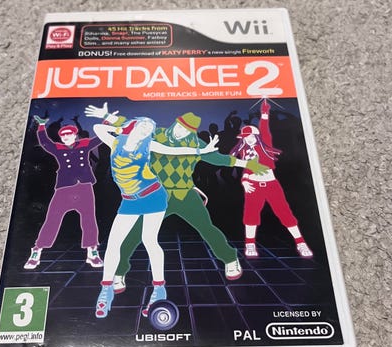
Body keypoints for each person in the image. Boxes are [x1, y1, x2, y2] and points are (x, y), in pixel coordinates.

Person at [85, 103, 269, 287]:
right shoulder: (156, 135)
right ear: (175, 123)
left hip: (185, 194)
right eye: (180, 127)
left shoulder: (196, 143)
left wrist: (248, 164)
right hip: (156, 194)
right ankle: (119, 272)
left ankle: (230, 258)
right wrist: (108, 116)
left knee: (207, 228)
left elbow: (218, 158)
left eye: (187, 131)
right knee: (135, 234)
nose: (182, 132)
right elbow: (134, 126)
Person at [92, 117, 219, 318]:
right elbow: (97, 128)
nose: (146, 130)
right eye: (144, 125)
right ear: (134, 125)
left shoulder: (148, 145)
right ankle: (106, 289)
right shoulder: (116, 141)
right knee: (114, 243)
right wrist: (121, 128)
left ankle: (159, 288)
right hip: (129, 201)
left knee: (149, 240)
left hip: (153, 195)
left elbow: (173, 151)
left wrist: (201, 151)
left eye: (150, 128)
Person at [231, 99, 313, 258]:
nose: (247, 139)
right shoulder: (244, 150)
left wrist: (264, 114)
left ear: (256, 135)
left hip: (271, 184)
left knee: (284, 212)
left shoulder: (265, 145)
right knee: (250, 214)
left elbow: (265, 130)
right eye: (245, 137)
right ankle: (250, 244)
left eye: (249, 136)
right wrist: (245, 181)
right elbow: (247, 169)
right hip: (253, 185)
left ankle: (300, 242)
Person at [24, 115, 103, 269]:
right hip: (64, 187)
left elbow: (99, 139)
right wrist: (41, 126)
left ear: (75, 135)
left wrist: (107, 121)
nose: (66, 136)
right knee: (52, 218)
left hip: (84, 186)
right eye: (63, 135)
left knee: (89, 218)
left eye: (69, 134)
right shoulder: (58, 148)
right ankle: (37, 251)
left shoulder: (84, 145)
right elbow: (45, 142)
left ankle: (92, 251)